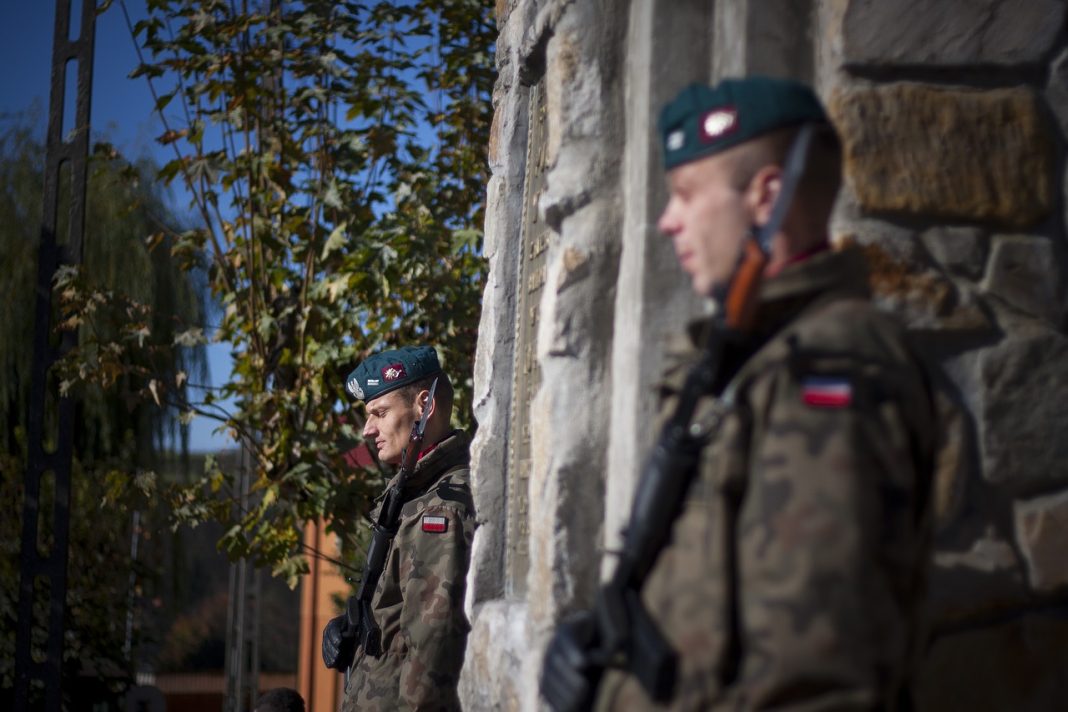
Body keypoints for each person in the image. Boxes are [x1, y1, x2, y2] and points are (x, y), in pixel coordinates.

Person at [545, 76, 937, 710]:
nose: (667, 221)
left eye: (685, 195)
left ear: (767, 197)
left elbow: (811, 680)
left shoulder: (826, 366)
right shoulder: (745, 354)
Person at [329, 345, 476, 711]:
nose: (367, 430)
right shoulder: (414, 493)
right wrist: (356, 628)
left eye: (380, 413)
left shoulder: (440, 508)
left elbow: (431, 652)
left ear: (424, 406)